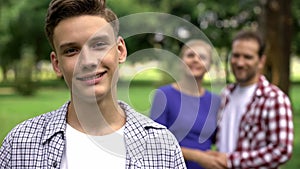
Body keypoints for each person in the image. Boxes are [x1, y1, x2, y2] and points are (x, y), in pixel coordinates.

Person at [0, 0, 187, 168]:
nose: (88, 61)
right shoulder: (19, 145)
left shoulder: (162, 146)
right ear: (57, 64)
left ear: (120, 50)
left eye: (99, 44)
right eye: (72, 50)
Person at [202, 30, 294, 169]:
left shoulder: (274, 99)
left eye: (248, 57)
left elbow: (282, 150)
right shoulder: (225, 94)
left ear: (261, 61)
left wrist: (231, 161)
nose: (240, 62)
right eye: (236, 55)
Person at [150, 39, 221, 169]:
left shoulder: (216, 101)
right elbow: (155, 143)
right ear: (181, 62)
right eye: (190, 55)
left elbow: (219, 139)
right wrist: (198, 157)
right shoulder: (164, 95)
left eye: (202, 57)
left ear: (209, 65)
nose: (195, 60)